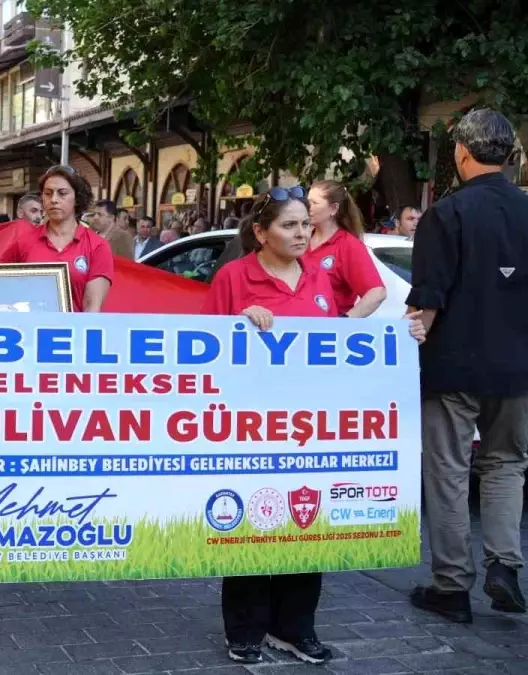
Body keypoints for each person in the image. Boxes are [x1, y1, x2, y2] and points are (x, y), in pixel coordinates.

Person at [205, 185, 425, 665]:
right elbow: (202, 349)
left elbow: (340, 344)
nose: (302, 233)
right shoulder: (231, 277)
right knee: (251, 523)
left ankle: (294, 627)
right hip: (249, 430)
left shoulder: (319, 278)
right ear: (260, 233)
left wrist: (404, 336)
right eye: (289, 225)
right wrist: (239, 322)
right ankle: (245, 629)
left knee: (307, 527)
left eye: (306, 223)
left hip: (310, 430)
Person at [408, 108, 528, 624]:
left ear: (461, 152)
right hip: (518, 368)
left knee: (449, 471)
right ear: (509, 155)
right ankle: (505, 564)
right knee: (506, 464)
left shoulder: (446, 214)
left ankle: (451, 586)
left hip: (453, 366)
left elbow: (427, 303)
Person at [0, 165, 112, 312]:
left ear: (77, 198)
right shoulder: (22, 242)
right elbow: (1, 288)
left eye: (62, 193)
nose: (54, 199)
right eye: (48, 193)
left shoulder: (97, 246)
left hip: (74, 332)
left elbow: (92, 308)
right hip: (29, 331)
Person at [304, 180, 386, 317]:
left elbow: (377, 292)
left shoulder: (348, 245)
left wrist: (346, 321)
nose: (308, 207)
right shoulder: (302, 238)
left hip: (328, 332)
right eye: (307, 202)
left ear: (333, 209)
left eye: (314, 203)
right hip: (296, 328)